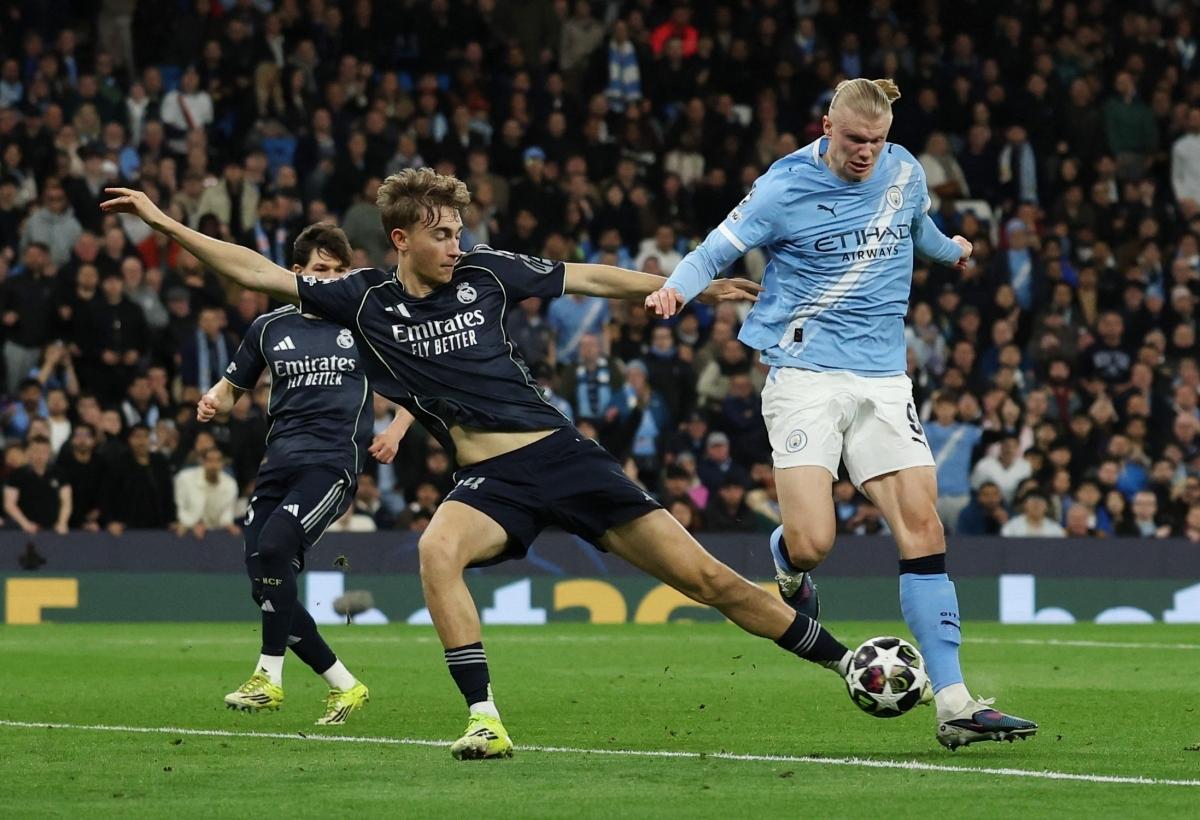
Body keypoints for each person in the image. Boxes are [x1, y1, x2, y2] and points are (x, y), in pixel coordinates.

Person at [103, 168, 855, 764]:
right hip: (489, 482)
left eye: (459, 232)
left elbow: (590, 278)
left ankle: (849, 664)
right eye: (441, 235)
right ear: (401, 239)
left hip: (560, 455)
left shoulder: (488, 273)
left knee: (710, 582)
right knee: (437, 550)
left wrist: (687, 287)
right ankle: (484, 718)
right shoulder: (362, 300)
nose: (456, 245)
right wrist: (163, 223)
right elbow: (256, 274)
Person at [645, 77, 1036, 748]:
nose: (866, 152)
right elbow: (714, 250)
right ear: (826, 126)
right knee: (813, 543)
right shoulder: (782, 187)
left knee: (923, 526)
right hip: (804, 376)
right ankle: (787, 559)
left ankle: (954, 703)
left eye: (877, 141)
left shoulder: (904, 169)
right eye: (855, 139)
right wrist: (674, 291)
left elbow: (918, 229)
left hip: (883, 379)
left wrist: (954, 251)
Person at [195, 222, 412, 726]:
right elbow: (231, 389)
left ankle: (267, 677)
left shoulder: (365, 325)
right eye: (321, 270)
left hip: (331, 464)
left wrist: (397, 430)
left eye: (339, 272)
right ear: (297, 272)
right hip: (277, 466)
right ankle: (344, 684)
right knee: (266, 584)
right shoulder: (268, 328)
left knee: (274, 549)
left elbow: (421, 384)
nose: (331, 280)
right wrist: (213, 401)